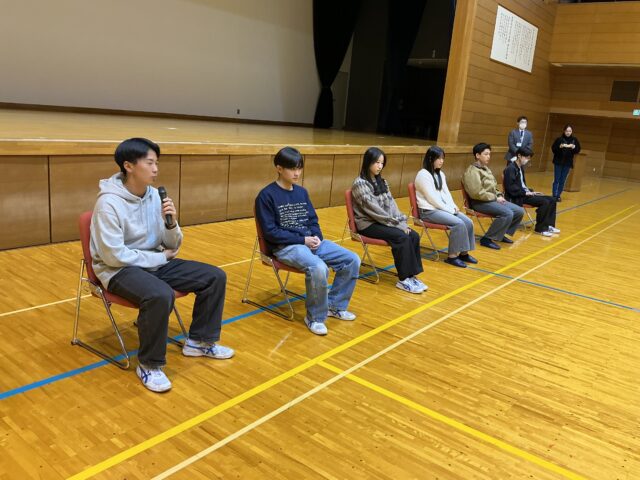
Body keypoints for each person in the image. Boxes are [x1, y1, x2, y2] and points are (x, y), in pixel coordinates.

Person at [90, 138, 233, 393]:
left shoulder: (155, 196)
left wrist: (171, 223)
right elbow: (112, 256)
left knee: (214, 277)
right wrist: (159, 258)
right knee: (159, 294)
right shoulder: (108, 204)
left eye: (157, 163)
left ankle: (199, 342)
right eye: (150, 163)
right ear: (129, 166)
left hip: (155, 261)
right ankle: (149, 364)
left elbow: (172, 244)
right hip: (118, 269)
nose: (156, 169)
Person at [255, 146, 360, 336]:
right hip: (286, 247)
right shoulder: (266, 196)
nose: (297, 173)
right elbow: (271, 233)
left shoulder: (302, 192)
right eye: (292, 168)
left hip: (309, 241)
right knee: (319, 267)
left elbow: (313, 220)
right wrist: (303, 240)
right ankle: (315, 318)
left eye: (299, 168)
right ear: (279, 168)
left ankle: (335, 305)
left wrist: (317, 238)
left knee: (352, 259)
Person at [350, 147, 427, 293]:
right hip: (368, 224)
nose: (380, 166)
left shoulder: (382, 182)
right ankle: (403, 279)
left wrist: (401, 222)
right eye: (376, 162)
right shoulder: (360, 184)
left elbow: (392, 205)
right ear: (368, 162)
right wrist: (397, 225)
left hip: (383, 222)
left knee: (413, 235)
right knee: (401, 237)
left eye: (382, 163)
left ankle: (411, 275)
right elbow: (375, 211)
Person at [414, 146, 477, 268]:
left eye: (443, 158)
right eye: (439, 158)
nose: (441, 161)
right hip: (428, 211)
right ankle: (452, 257)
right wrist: (449, 210)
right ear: (430, 159)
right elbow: (432, 199)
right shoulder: (423, 175)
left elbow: (446, 193)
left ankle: (464, 253)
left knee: (468, 222)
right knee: (458, 223)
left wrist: (453, 206)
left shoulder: (440, 174)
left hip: (441, 209)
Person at [462, 143, 524, 250]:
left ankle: (500, 233)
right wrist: (495, 198)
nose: (488, 157)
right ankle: (487, 239)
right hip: (479, 203)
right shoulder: (472, 172)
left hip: (491, 200)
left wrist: (499, 195)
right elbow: (476, 193)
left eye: (489, 154)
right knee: (507, 213)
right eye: (486, 154)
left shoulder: (486, 169)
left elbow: (494, 187)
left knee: (519, 211)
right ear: (477, 155)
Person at [503, 147, 560, 237]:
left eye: (529, 158)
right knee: (544, 202)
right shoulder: (511, 169)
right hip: (518, 197)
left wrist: (531, 191)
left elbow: (522, 185)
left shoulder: (520, 168)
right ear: (519, 155)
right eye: (526, 157)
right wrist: (525, 193)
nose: (527, 160)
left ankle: (549, 225)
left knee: (552, 199)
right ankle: (540, 229)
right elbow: (510, 187)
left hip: (525, 194)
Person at [551, 124, 581, 202]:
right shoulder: (559, 139)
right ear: (564, 131)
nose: (568, 132)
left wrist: (574, 147)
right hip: (558, 162)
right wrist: (559, 147)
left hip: (567, 163)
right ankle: (554, 195)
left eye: (570, 131)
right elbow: (553, 149)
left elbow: (578, 150)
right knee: (556, 179)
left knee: (563, 180)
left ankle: (558, 195)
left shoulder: (574, 140)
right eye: (567, 131)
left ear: (572, 132)